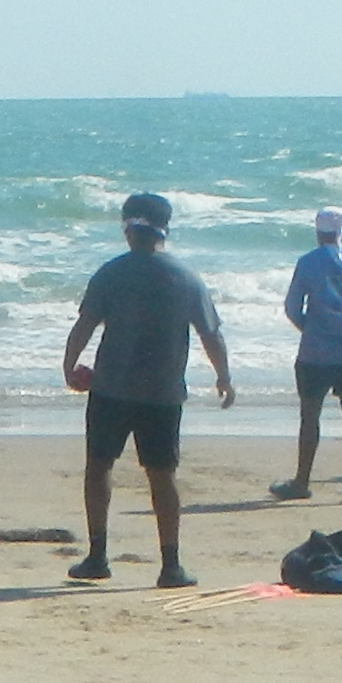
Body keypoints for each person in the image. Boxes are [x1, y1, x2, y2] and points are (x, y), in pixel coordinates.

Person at [60, 190, 235, 588]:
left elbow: (86, 323)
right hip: (162, 392)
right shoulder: (185, 277)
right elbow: (211, 333)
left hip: (111, 387)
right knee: (161, 475)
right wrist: (223, 376)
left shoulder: (112, 272)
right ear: (165, 230)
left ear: (127, 228)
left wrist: (69, 365)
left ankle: (98, 555)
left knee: (99, 467)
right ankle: (170, 564)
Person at [271, 206, 342, 503]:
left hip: (314, 352)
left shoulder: (308, 263)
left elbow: (292, 308)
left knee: (310, 415)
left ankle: (302, 481)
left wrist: (311, 329)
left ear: (318, 232)